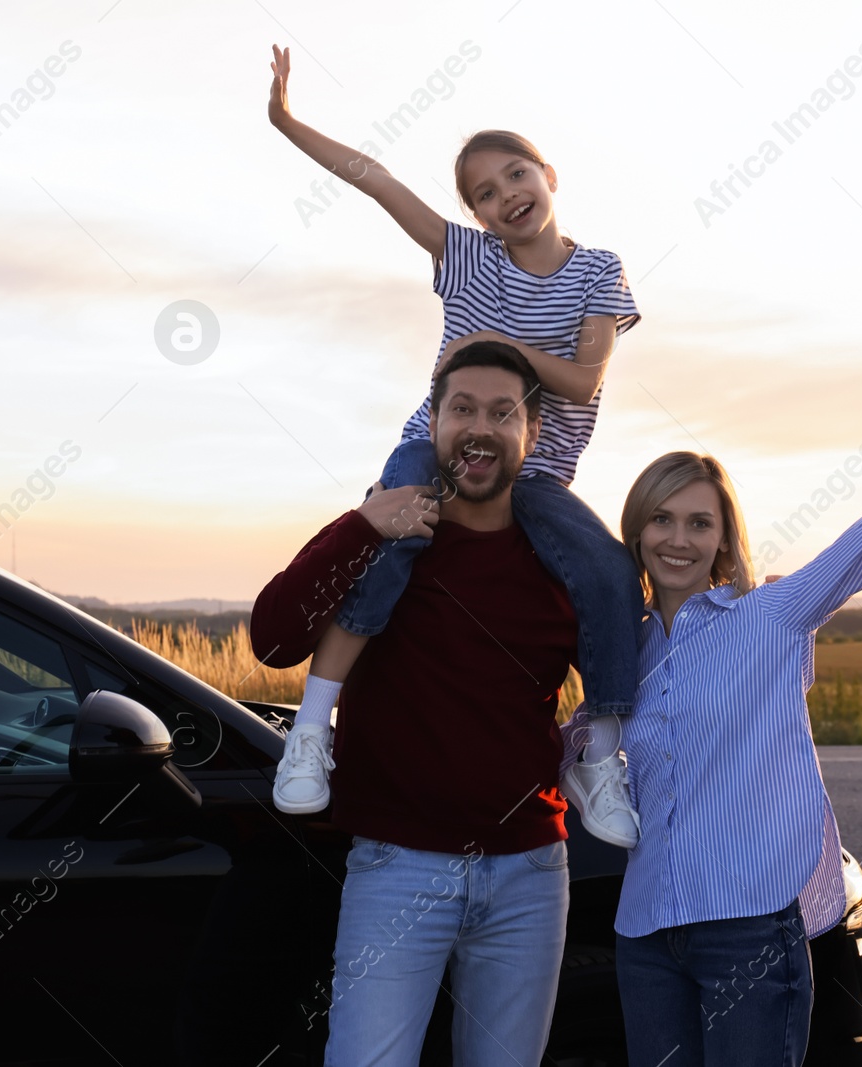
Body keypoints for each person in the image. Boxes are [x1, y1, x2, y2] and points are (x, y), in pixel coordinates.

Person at [559, 336, 862, 1065]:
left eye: (700, 522)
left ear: (725, 536)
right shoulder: (622, 650)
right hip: (645, 932)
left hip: (749, 933)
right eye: (662, 519)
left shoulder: (772, 617)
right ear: (636, 530)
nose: (678, 538)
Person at [265, 44, 645, 846]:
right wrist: (287, 121)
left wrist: (493, 342)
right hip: (435, 449)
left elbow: (582, 383)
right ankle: (311, 730)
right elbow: (375, 178)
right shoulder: (465, 257)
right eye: (483, 193)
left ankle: (600, 753)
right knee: (387, 546)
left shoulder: (599, 271)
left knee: (610, 570)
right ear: (473, 216)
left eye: (515, 174)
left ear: (548, 174)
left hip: (533, 469)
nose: (505, 195)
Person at [251, 343, 582, 1066]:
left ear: (531, 433)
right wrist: (365, 525)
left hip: (529, 872)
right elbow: (274, 640)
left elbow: (640, 668)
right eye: (462, 408)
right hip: (398, 867)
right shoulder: (384, 532)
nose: (480, 428)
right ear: (432, 422)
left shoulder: (559, 559)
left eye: (503, 413)